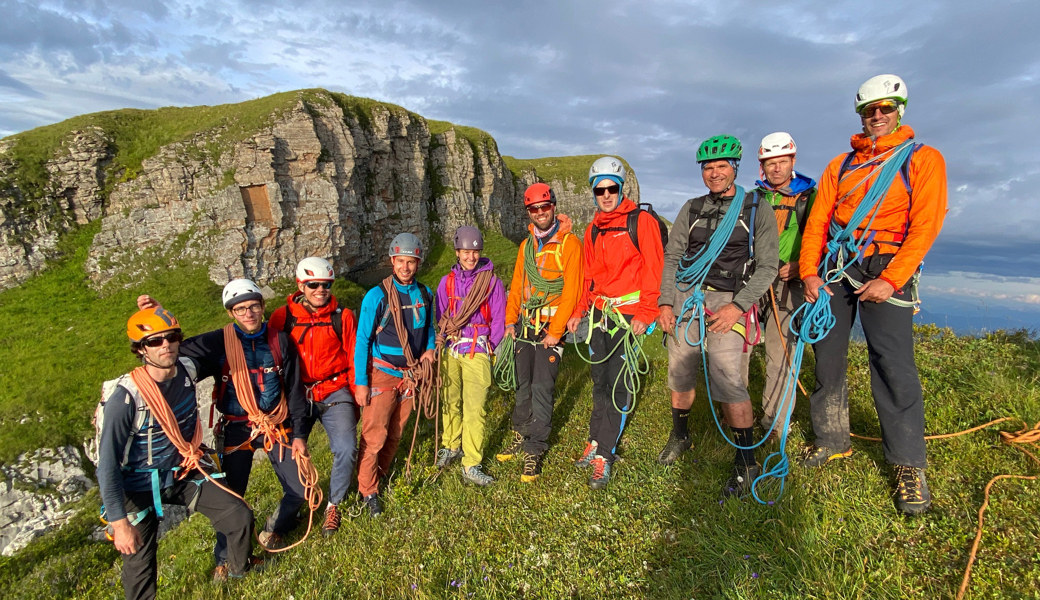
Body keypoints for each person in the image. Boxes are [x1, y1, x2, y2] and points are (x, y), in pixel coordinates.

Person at [799, 74, 947, 515]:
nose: (877, 116)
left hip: (886, 266)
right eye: (870, 110)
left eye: (885, 108)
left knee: (892, 362)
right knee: (827, 355)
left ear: (900, 110)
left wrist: (893, 278)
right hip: (837, 266)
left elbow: (926, 224)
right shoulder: (840, 166)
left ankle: (907, 465)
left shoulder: (923, 160)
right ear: (861, 115)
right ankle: (832, 439)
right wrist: (809, 272)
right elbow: (818, 221)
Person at [137, 280, 310, 573]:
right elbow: (176, 354)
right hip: (237, 429)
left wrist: (301, 435)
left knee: (301, 487)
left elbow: (293, 390)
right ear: (231, 313)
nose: (249, 313)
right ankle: (225, 559)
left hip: (276, 425)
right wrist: (158, 320)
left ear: (262, 307)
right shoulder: (220, 342)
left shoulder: (279, 341)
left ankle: (276, 526)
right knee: (231, 500)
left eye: (254, 306)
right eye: (241, 309)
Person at [95, 307, 254, 599]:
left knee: (238, 516)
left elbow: (217, 340)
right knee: (139, 562)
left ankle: (238, 570)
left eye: (171, 337)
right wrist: (119, 524)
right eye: (155, 341)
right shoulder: (126, 398)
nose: (165, 345)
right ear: (140, 349)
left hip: (182, 470)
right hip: (136, 484)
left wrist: (249, 314)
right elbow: (107, 466)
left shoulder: (187, 369)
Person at [656, 136, 779, 498]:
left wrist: (737, 307)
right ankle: (681, 436)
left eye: (721, 166)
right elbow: (674, 256)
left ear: (735, 168)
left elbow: (768, 265)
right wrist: (666, 302)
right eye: (708, 167)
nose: (714, 173)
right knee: (679, 373)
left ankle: (746, 460)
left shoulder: (757, 208)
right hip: (687, 297)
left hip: (729, 300)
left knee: (728, 378)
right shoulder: (692, 209)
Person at [566, 157, 664, 490]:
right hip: (599, 314)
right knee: (599, 381)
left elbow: (654, 269)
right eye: (600, 189)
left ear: (621, 188)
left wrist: (647, 312)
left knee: (619, 382)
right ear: (593, 192)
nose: (606, 194)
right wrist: (580, 309)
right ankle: (595, 440)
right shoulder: (592, 228)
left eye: (612, 188)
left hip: (627, 315)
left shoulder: (643, 222)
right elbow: (589, 278)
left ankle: (605, 454)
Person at [497, 183, 583, 483]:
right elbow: (518, 284)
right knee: (523, 385)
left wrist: (556, 331)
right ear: (528, 213)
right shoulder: (526, 246)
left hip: (549, 329)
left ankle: (536, 448)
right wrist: (510, 321)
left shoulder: (570, 244)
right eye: (534, 209)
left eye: (544, 207)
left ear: (554, 207)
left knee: (542, 389)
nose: (540, 213)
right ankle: (522, 434)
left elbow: (572, 290)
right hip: (525, 327)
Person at [268, 257, 359, 536]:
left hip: (334, 389)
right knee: (289, 454)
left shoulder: (341, 316)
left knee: (346, 448)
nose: (321, 290)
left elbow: (354, 355)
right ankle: (293, 506)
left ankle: (333, 504)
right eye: (313, 285)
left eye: (326, 285)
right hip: (298, 395)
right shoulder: (282, 318)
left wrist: (356, 397)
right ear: (300, 285)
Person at [354, 233, 436, 516]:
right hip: (383, 374)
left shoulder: (424, 294)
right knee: (375, 434)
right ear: (392, 261)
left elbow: (429, 329)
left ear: (418, 262)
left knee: (396, 432)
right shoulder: (376, 296)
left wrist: (429, 349)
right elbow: (363, 339)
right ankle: (368, 490)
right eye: (400, 261)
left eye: (410, 262)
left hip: (411, 374)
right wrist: (362, 384)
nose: (405, 267)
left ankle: (382, 475)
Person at [754, 132, 817, 437]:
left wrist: (802, 266)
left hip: (787, 284)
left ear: (793, 162)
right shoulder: (755, 198)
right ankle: (735, 412)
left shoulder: (809, 198)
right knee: (738, 347)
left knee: (779, 354)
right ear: (762, 166)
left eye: (782, 162)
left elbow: (820, 238)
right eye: (770, 163)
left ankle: (773, 424)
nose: (776, 168)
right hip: (754, 282)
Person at [433, 226, 507, 486]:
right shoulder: (447, 282)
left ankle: (471, 463)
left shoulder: (492, 283)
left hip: (477, 349)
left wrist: (491, 345)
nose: (470, 257)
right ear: (457, 252)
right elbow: (441, 314)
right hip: (451, 349)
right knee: (449, 400)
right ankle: (451, 446)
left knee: (475, 409)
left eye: (474, 252)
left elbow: (499, 318)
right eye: (466, 252)